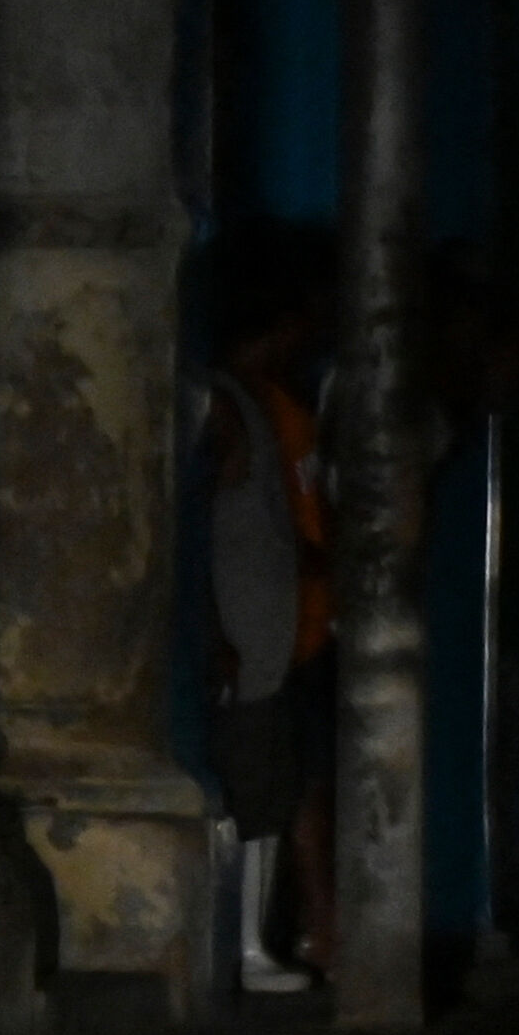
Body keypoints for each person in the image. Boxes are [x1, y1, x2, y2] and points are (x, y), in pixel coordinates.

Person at [194, 250, 334, 995]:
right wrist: (214, 627)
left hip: (268, 627)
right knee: (253, 791)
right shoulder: (228, 403)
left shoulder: (258, 403)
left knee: (272, 790)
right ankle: (245, 947)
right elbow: (204, 527)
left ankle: (259, 943)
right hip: (248, 626)